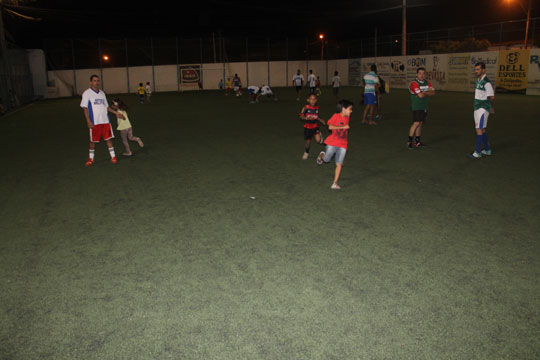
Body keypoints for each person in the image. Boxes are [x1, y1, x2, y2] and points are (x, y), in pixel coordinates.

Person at [80, 75, 124, 166]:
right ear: (91, 82)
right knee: (92, 141)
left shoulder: (102, 93)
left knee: (108, 139)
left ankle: (113, 157)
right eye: (94, 81)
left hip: (105, 121)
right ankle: (91, 158)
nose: (96, 82)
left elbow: (106, 107)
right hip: (94, 122)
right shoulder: (87, 93)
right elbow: (85, 108)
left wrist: (116, 113)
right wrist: (88, 121)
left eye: (98, 81)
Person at [316, 100, 353, 190]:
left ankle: (335, 183)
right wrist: (342, 127)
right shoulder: (336, 116)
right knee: (326, 160)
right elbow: (330, 127)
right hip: (332, 142)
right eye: (350, 109)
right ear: (343, 109)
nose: (351, 111)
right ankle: (322, 154)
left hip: (343, 144)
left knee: (339, 163)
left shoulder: (347, 117)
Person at [468, 62, 494, 159]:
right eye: (475, 69)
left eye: (478, 69)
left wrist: (489, 107)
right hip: (477, 107)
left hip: (482, 109)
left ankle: (478, 152)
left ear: (483, 70)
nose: (476, 71)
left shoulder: (486, 82)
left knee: (478, 129)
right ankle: (487, 150)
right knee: (482, 129)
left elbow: (491, 96)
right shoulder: (478, 80)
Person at [407, 67, 435, 149]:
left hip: (424, 106)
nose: (422, 75)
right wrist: (427, 92)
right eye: (420, 73)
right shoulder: (414, 83)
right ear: (416, 74)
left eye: (423, 73)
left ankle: (417, 142)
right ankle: (409, 141)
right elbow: (420, 96)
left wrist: (424, 92)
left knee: (420, 123)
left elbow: (433, 92)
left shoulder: (427, 82)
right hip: (417, 106)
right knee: (416, 123)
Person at [300, 93, 326, 160]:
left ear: (316, 100)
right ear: (308, 100)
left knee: (318, 140)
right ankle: (306, 153)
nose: (313, 101)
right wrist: (307, 118)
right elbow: (301, 116)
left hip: (315, 126)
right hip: (307, 128)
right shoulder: (305, 108)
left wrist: (320, 120)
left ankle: (319, 135)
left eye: (314, 99)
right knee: (308, 143)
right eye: (311, 99)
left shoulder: (316, 108)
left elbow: (316, 117)